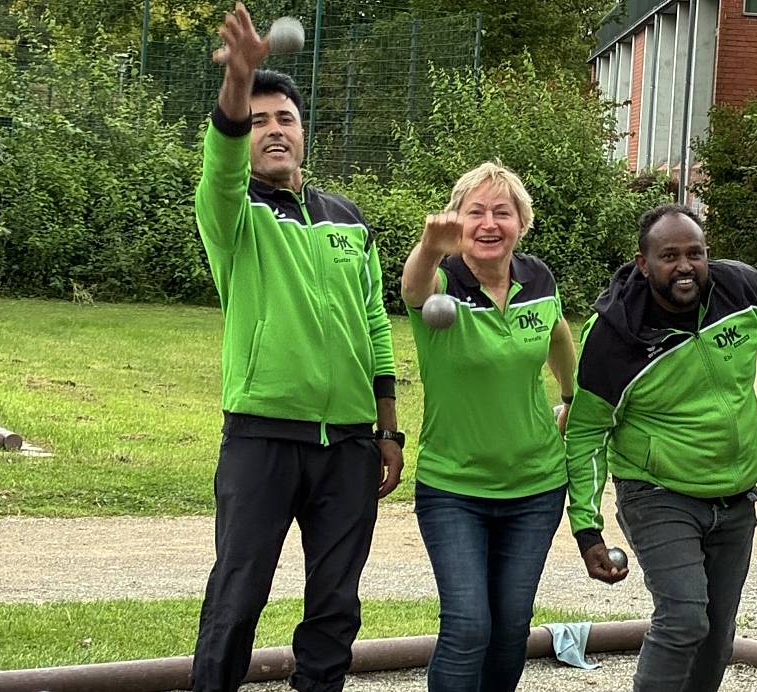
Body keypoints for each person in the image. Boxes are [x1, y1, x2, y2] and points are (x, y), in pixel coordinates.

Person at [190, 5, 404, 691]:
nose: (273, 129)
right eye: (258, 122)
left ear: (304, 132)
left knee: (336, 604)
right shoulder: (232, 213)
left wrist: (387, 429)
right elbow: (221, 162)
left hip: (349, 443)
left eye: (285, 118)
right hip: (262, 436)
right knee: (238, 596)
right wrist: (238, 81)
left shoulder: (348, 219)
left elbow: (374, 324)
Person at [564, 203, 757, 691]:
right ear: (644, 264)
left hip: (736, 494)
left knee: (716, 640)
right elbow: (585, 434)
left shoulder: (744, 289)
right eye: (669, 256)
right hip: (656, 491)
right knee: (685, 618)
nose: (685, 266)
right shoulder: (613, 338)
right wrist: (587, 528)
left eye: (695, 253)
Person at [399, 161, 576, 691]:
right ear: (457, 221)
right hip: (454, 487)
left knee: (510, 630)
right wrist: (431, 247)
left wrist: (570, 395)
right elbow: (412, 289)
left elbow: (557, 335)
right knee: (468, 625)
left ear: (522, 222)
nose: (489, 223)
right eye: (475, 212)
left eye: (503, 212)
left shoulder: (538, 278)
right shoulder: (443, 283)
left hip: (536, 487)